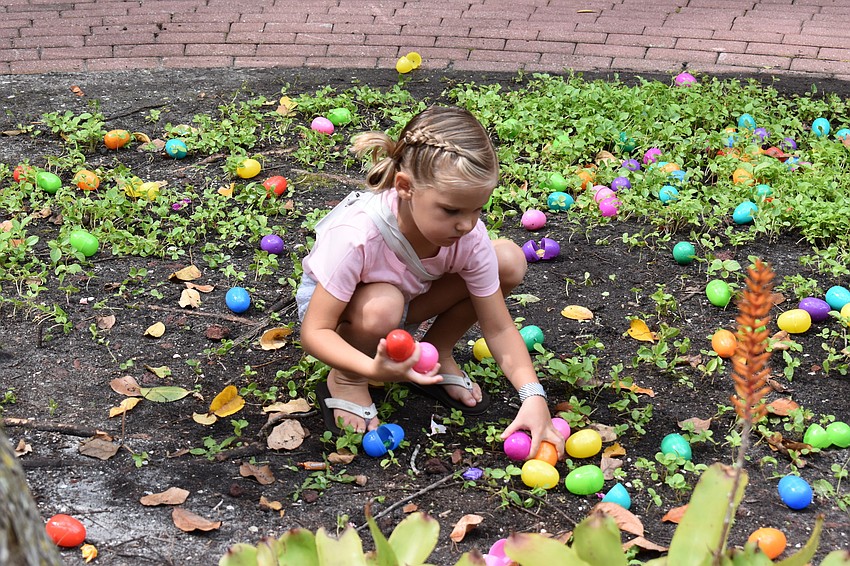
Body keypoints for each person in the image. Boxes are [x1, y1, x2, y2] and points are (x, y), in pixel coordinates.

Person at [296, 105, 563, 460]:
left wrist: (533, 395)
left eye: (477, 209)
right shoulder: (358, 235)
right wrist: (372, 369)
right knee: (383, 306)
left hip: (409, 297)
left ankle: (435, 353)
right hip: (345, 312)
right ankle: (347, 378)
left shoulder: (467, 234)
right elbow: (315, 331)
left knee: (507, 261)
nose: (467, 224)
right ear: (405, 187)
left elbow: (498, 328)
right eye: (451, 210)